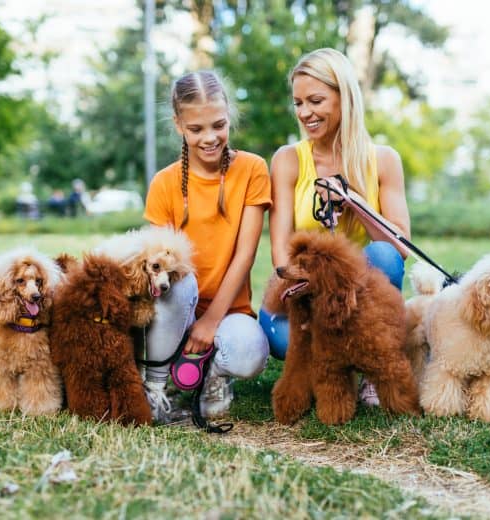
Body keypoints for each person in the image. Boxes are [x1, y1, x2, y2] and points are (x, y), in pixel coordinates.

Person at [259, 48, 412, 406]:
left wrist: (355, 202)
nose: (304, 113)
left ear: (345, 97)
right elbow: (280, 251)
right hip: (306, 291)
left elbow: (401, 247)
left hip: (360, 298)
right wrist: (308, 292)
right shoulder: (287, 160)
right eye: (298, 103)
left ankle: (371, 367)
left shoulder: (384, 160)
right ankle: (337, 360)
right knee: (282, 342)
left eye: (315, 100)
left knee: (384, 255)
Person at [142, 70, 272, 422]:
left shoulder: (253, 169)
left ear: (228, 115)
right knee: (180, 280)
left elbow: (245, 256)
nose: (210, 138)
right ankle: (154, 386)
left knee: (250, 354)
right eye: (196, 129)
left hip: (229, 310)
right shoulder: (164, 183)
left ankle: (213, 374)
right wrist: (193, 322)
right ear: (178, 125)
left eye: (218, 125)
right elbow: (158, 267)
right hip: (176, 306)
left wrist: (211, 322)